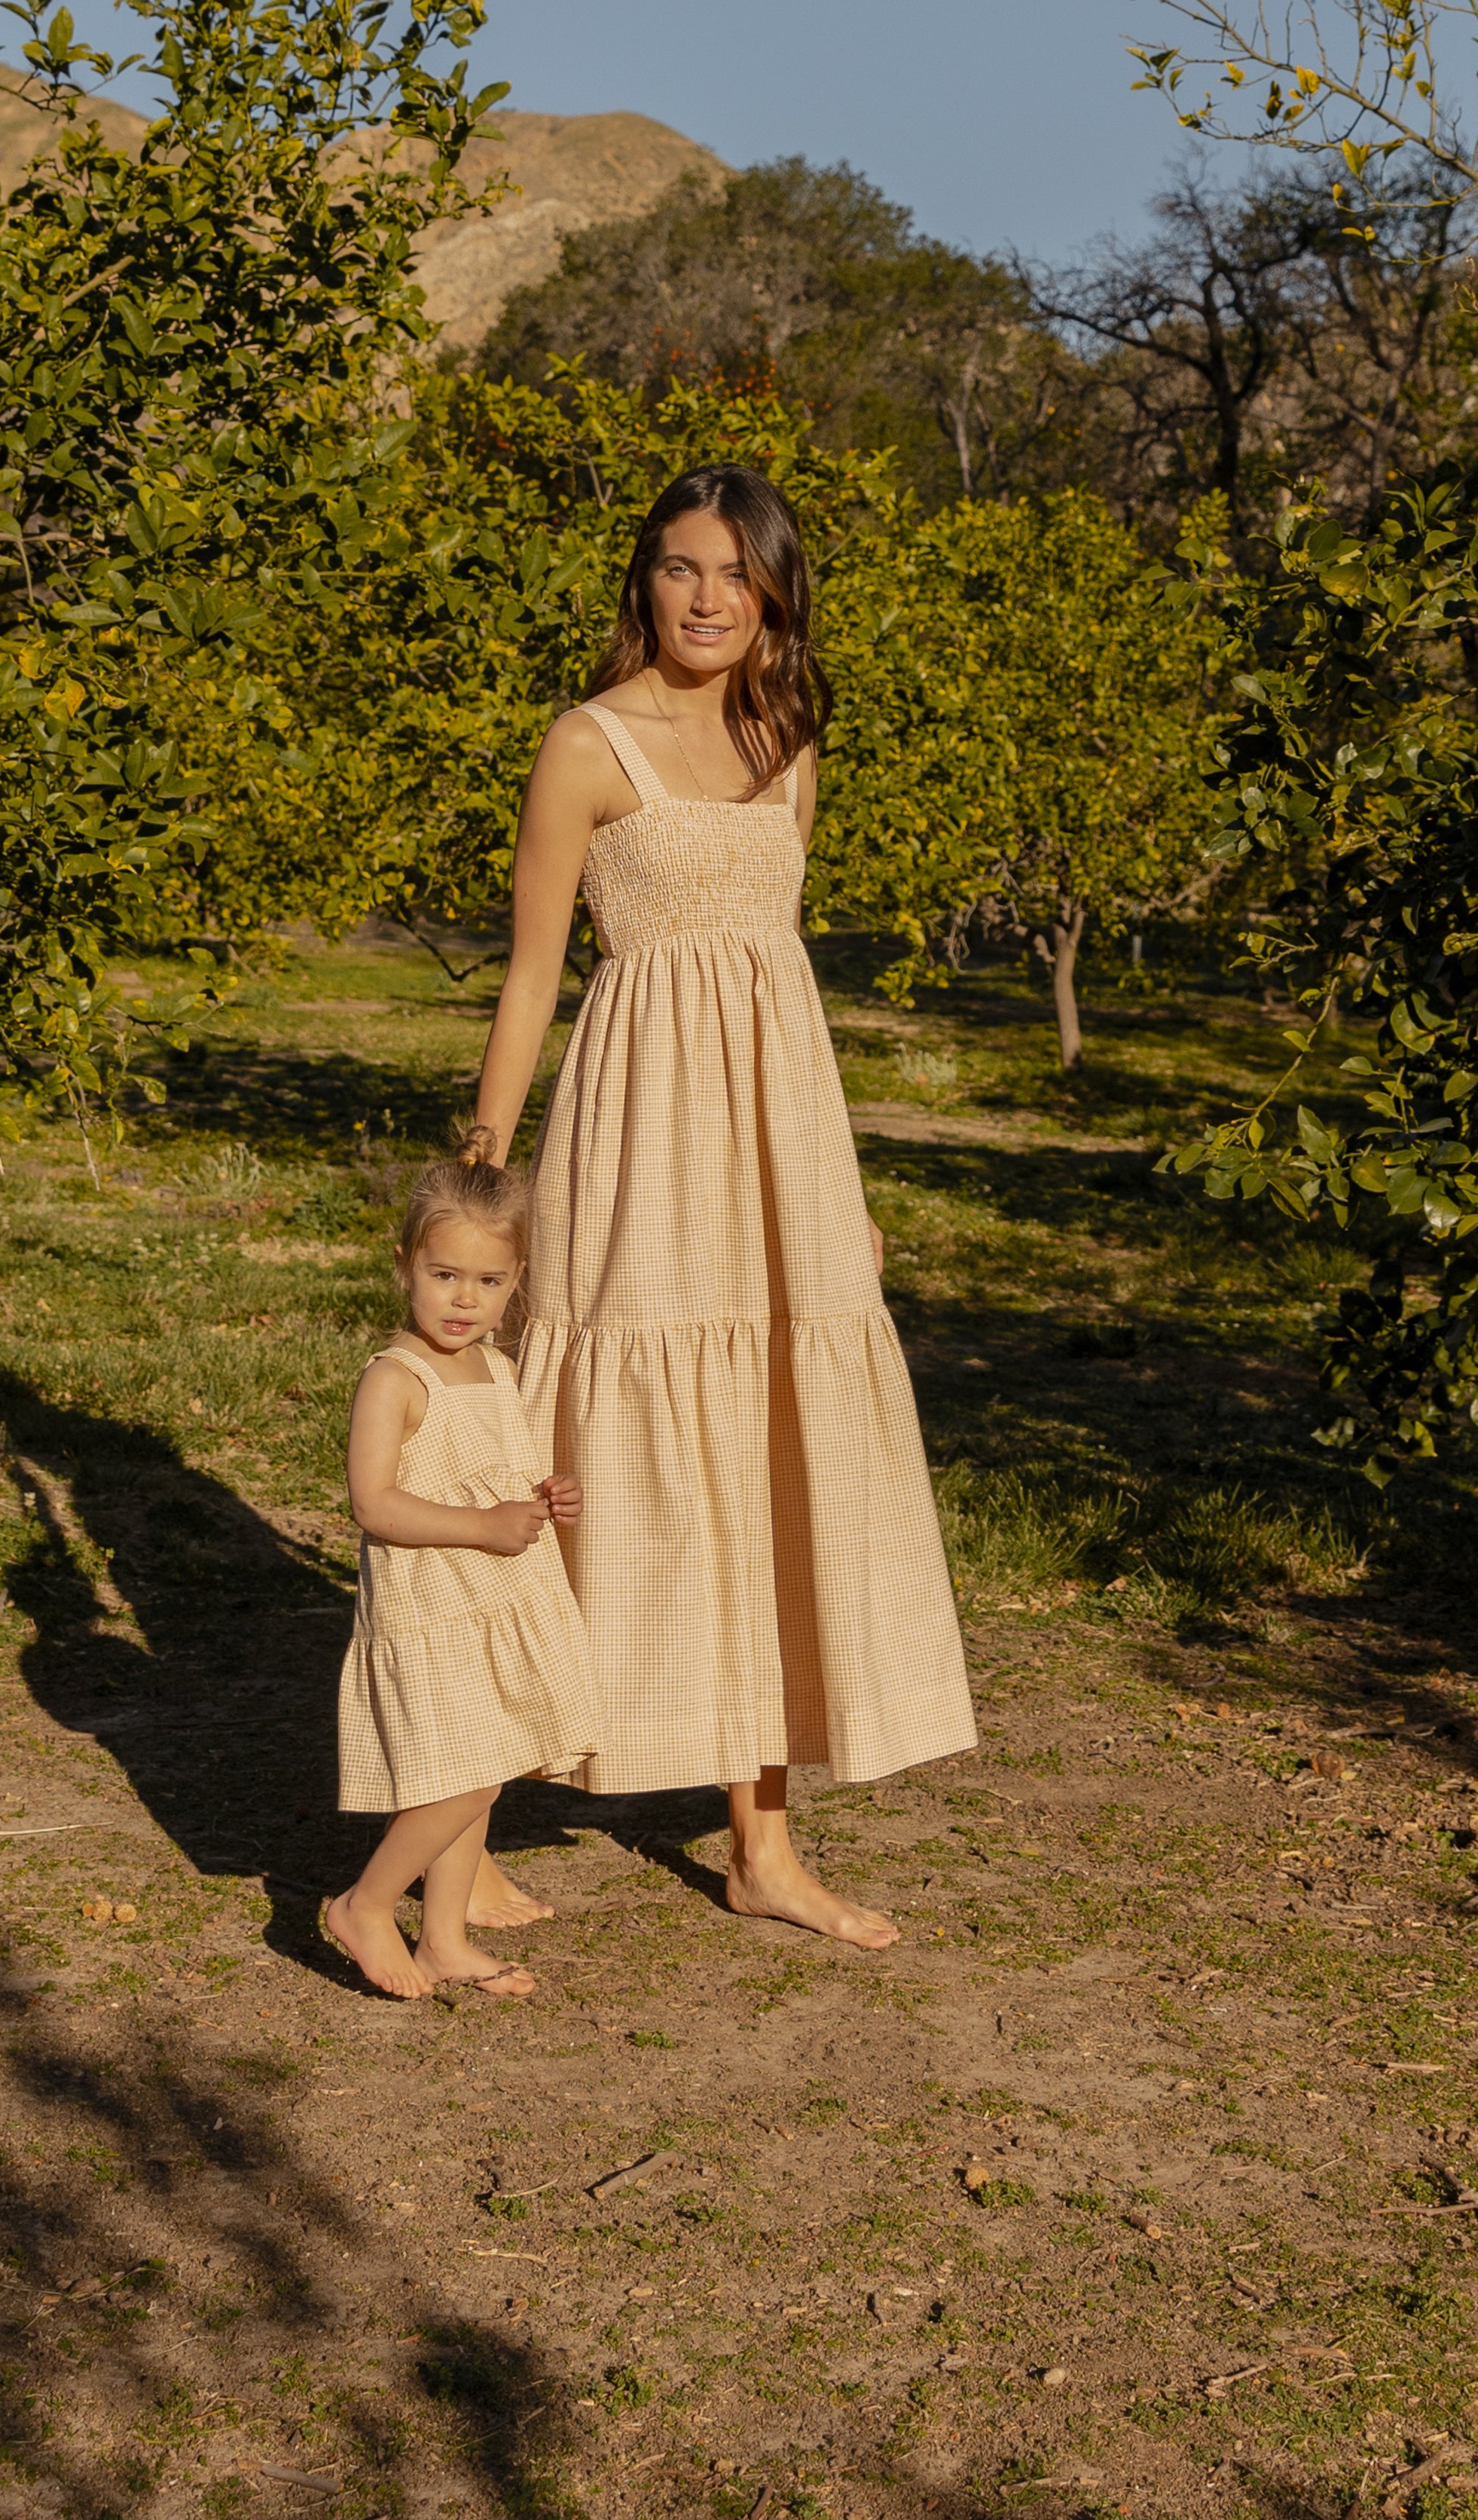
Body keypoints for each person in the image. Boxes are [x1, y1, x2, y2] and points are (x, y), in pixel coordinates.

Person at [465, 463, 976, 1951]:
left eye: (731, 573)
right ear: (647, 579)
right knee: (589, 1451)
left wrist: (844, 1190)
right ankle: (470, 1815)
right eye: (680, 567)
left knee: (770, 1459)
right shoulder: (586, 742)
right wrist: (485, 1176)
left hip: (778, 1148)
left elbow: (776, 975)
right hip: (638, 1139)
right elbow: (528, 972)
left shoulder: (790, 736)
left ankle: (764, 1840)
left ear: (771, 591)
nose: (704, 597)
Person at [326, 1157, 603, 2000]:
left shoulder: (497, 1369)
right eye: (443, 1274)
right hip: (431, 1607)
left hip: (492, 1601)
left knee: (489, 1760)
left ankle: (443, 1936)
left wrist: (542, 1494)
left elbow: (491, 1471)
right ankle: (365, 1903)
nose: (462, 1298)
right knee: (467, 1771)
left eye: (486, 1280)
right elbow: (374, 1503)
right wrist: (483, 1526)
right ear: (404, 1263)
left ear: (516, 1280)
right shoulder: (394, 1377)